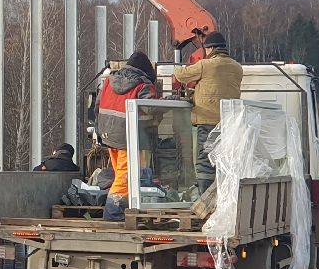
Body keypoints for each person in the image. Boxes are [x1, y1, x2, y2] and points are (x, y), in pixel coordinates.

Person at [172, 31, 243, 194]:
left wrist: (178, 68)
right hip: (228, 123)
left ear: (210, 49)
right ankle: (222, 195)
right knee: (223, 159)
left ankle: (204, 197)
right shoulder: (237, 67)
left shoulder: (206, 65)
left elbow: (181, 75)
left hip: (207, 120)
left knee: (205, 160)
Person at [96, 51, 160, 203]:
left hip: (108, 135)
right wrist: (169, 101)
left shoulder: (108, 81)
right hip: (127, 138)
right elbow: (151, 108)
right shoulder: (143, 85)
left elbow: (97, 106)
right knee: (124, 178)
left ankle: (121, 206)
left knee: (120, 174)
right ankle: (112, 212)